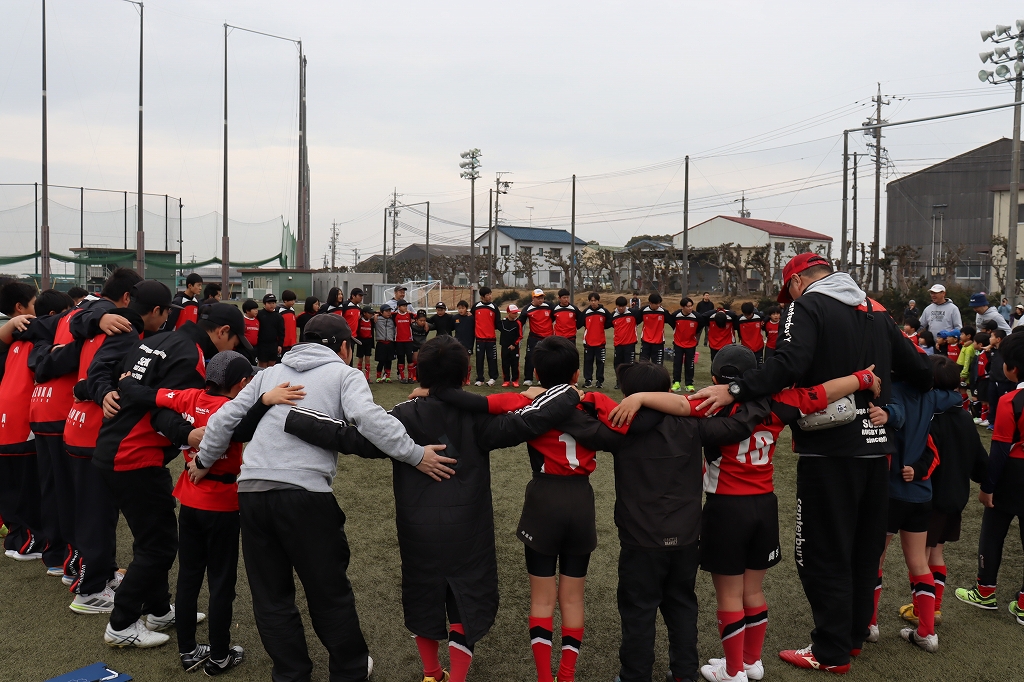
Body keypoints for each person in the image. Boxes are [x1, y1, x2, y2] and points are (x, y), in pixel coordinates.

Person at [284, 333, 583, 682]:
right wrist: (568, 392)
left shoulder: (403, 415)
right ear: (465, 374)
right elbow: (528, 421)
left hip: (418, 527)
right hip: (468, 528)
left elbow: (350, 436)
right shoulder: (477, 417)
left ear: (418, 372)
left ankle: (431, 674)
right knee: (464, 601)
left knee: (422, 595)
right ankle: (456, 678)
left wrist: (294, 418)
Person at [693, 252, 932, 674]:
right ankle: (853, 637)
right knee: (864, 549)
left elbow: (789, 364)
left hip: (830, 450)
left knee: (822, 551)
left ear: (798, 281)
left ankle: (830, 650)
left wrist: (736, 389)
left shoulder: (806, 305)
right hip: (877, 449)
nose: (790, 300)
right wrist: (884, 401)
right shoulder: (876, 309)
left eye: (789, 292)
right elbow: (921, 371)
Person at [193, 313, 453, 682]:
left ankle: (291, 674)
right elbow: (370, 420)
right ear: (344, 346)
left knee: (271, 598)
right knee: (328, 591)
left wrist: (203, 460)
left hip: (251, 492)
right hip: (304, 495)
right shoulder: (344, 374)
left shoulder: (268, 373)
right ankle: (348, 671)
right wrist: (415, 454)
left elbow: (223, 421)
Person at [612, 347, 881, 682]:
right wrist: (863, 378)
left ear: (715, 378)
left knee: (729, 595)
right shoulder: (777, 401)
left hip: (726, 507)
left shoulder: (712, 401)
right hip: (764, 504)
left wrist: (638, 397)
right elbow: (824, 392)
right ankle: (751, 661)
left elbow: (678, 405)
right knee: (753, 591)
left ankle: (733, 669)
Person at [94, 297, 251, 648]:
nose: (234, 347)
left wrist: (106, 389)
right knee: (159, 545)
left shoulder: (158, 339)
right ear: (223, 332)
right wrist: (187, 433)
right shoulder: (190, 354)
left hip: (115, 447)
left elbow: (118, 375)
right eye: (235, 341)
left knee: (152, 538)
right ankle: (121, 624)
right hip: (135, 455)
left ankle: (158, 608)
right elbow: (162, 410)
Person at [866, 355, 961, 654]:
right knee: (919, 563)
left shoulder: (894, 392)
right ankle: (927, 632)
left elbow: (895, 415)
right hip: (922, 494)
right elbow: (955, 396)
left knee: (874, 559)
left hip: (892, 491)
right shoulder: (932, 397)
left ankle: (869, 624)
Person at [63, 268, 143, 611]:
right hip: (93, 432)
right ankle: (91, 590)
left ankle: (100, 574)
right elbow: (100, 376)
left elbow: (77, 320)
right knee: (96, 513)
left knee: (94, 511)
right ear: (128, 299)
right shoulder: (118, 328)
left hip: (77, 426)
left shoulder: (92, 322)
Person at [905, 379, 988, 629]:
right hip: (956, 496)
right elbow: (980, 459)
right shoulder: (964, 417)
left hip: (932, 496)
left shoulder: (931, 416)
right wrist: (983, 479)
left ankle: (922, 611)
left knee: (921, 557)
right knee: (936, 553)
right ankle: (935, 608)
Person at [954, 330, 1024, 625]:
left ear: (1012, 368)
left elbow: (999, 451)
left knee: (993, 532)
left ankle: (985, 591)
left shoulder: (1011, 401)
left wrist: (987, 486)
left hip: (1013, 474)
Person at [27, 289, 82, 584]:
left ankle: (55, 555)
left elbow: (38, 361)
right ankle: (68, 558)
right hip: (59, 415)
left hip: (42, 412)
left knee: (51, 487)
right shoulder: (67, 328)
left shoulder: (42, 334)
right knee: (65, 490)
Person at [0, 282, 46, 563]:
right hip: (22, 424)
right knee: (26, 488)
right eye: (34, 302)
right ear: (20, 308)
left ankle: (17, 540)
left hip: (6, 424)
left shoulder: (13, 340)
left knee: (11, 487)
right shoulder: (30, 338)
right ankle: (28, 542)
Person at [522, 288, 554, 386]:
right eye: (538, 298)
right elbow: (520, 322)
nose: (541, 300)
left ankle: (542, 378)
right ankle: (528, 378)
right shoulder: (527, 309)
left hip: (548, 338)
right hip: (534, 337)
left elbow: (554, 317)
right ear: (533, 298)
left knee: (546, 359)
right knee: (530, 357)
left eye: (542, 298)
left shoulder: (549, 306)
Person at [668, 297, 699, 392]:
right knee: (677, 364)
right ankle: (676, 383)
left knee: (690, 365)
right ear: (682, 307)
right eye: (688, 306)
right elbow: (672, 324)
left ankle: (689, 384)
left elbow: (700, 327)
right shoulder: (676, 315)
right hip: (678, 344)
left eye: (691, 306)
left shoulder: (697, 316)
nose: (690, 308)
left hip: (691, 345)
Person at [610, 296, 641, 389]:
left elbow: (641, 316)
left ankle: (629, 382)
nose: (621, 308)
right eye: (619, 306)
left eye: (623, 306)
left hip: (630, 344)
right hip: (618, 344)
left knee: (630, 365)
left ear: (626, 306)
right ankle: (619, 382)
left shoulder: (633, 313)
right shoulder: (613, 315)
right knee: (618, 364)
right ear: (616, 306)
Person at [582, 292, 611, 388]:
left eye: (595, 300)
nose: (593, 302)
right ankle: (588, 380)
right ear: (589, 301)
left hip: (600, 343)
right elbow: (580, 322)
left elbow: (610, 321)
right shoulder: (586, 312)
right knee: (588, 362)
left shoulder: (604, 311)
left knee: (600, 362)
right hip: (588, 343)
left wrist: (603, 326)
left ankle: (599, 381)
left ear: (598, 301)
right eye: (591, 300)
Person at [472, 286, 499, 386]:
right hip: (479, 339)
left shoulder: (494, 307)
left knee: (492, 359)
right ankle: (480, 379)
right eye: (487, 295)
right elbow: (471, 320)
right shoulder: (476, 307)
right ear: (482, 296)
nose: (490, 296)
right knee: (479, 359)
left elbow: (497, 323)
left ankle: (493, 378)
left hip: (491, 339)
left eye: (490, 294)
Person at [255, 294, 284, 368]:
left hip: (273, 345)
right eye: (269, 303)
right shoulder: (259, 314)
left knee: (271, 367)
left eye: (273, 303)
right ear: (264, 304)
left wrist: (280, 344)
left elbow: (281, 331)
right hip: (262, 345)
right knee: (262, 367)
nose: (272, 305)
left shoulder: (278, 316)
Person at [639, 293, 669, 365]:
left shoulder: (663, 312)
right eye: (656, 304)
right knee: (643, 365)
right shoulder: (643, 310)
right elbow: (636, 321)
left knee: (658, 366)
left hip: (658, 343)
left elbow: (672, 322)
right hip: (646, 342)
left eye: (659, 303)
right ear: (650, 303)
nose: (658, 305)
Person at [500, 304, 523, 386]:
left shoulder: (518, 323)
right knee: (505, 364)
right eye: (513, 313)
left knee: (515, 364)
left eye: (516, 313)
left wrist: (514, 344)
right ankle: (506, 380)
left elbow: (520, 336)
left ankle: (515, 380)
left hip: (514, 348)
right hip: (504, 347)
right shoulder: (503, 322)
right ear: (508, 313)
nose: (515, 314)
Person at [453, 300, 475, 385]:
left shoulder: (471, 318)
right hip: (458, 343)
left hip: (468, 343)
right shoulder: (455, 318)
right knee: (458, 361)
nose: (461, 310)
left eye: (462, 308)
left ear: (466, 308)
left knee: (467, 361)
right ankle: (459, 378)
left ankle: (467, 379)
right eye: (459, 308)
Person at [374, 303, 396, 382]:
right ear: (381, 312)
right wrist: (376, 314)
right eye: (386, 311)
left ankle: (387, 376)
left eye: (389, 311)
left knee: (389, 361)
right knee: (381, 361)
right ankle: (378, 377)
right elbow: (367, 314)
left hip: (390, 343)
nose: (389, 313)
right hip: (381, 343)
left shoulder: (392, 320)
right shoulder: (377, 319)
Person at [394, 300, 415, 383]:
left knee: (410, 359)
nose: (405, 307)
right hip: (399, 341)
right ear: (398, 307)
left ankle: (410, 377)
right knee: (401, 359)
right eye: (403, 306)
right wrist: (376, 315)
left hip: (409, 340)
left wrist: (412, 313)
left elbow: (419, 316)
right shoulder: (395, 315)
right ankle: (402, 377)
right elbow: (384, 313)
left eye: (406, 306)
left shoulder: (410, 315)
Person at [355, 306, 375, 380]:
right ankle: (359, 376)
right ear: (364, 313)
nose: (371, 315)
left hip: (368, 341)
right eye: (369, 313)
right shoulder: (359, 320)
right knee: (360, 359)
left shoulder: (371, 321)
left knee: (368, 359)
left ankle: (367, 377)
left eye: (371, 313)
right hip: (361, 341)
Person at [411, 309, 430, 382]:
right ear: (416, 320)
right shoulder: (412, 325)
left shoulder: (428, 326)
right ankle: (414, 376)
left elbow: (436, 324)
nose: (422, 322)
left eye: (424, 320)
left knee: (423, 360)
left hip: (423, 344)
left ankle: (423, 376)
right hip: (414, 344)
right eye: (420, 320)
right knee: (415, 360)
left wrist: (427, 323)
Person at [278, 290, 298, 355]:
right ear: (285, 301)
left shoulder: (292, 310)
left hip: (292, 342)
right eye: (291, 300)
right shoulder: (279, 310)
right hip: (283, 342)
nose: (293, 302)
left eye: (294, 300)